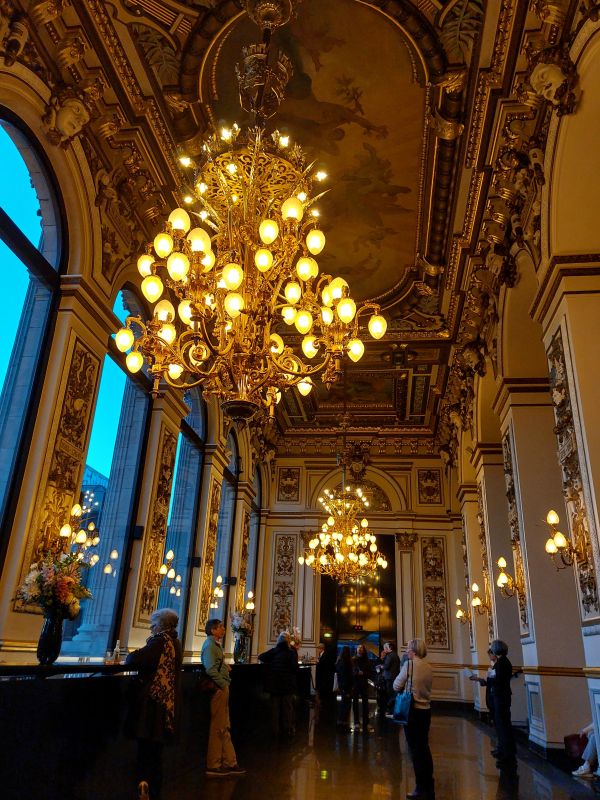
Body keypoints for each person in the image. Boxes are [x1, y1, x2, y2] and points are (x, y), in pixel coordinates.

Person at [125, 608, 183, 800]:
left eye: (153, 623)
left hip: (154, 703)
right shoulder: (176, 642)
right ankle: (154, 788)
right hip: (168, 703)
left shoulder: (159, 642)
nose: (151, 626)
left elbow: (134, 659)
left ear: (161, 625)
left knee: (146, 747)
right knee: (157, 751)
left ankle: (143, 783)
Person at [201, 618, 246, 778]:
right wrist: (222, 683)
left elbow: (215, 665)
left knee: (224, 726)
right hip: (219, 689)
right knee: (218, 727)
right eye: (220, 627)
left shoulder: (214, 645)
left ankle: (230, 762)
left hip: (222, 687)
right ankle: (213, 765)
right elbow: (210, 668)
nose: (223, 629)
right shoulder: (210, 646)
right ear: (212, 630)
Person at [394, 638, 434, 800]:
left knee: (415, 751)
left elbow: (396, 685)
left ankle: (420, 788)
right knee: (424, 748)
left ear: (413, 650)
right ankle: (429, 785)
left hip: (412, 711)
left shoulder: (409, 665)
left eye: (409, 649)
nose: (407, 651)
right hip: (426, 710)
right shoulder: (428, 666)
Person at [471, 639, 516, 770]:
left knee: (503, 725)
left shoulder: (502, 663)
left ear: (496, 650)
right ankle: (503, 750)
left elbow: (497, 680)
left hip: (500, 697)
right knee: (501, 724)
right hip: (500, 696)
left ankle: (507, 755)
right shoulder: (501, 662)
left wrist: (486, 678)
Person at [259, 631, 299, 738]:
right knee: (287, 708)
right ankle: (287, 729)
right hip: (287, 684)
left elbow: (261, 657)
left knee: (275, 708)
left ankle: (274, 730)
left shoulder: (275, 650)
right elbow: (295, 667)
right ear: (288, 641)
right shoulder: (291, 652)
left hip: (275, 684)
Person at [352, 644, 372, 733]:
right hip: (355, 684)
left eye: (361, 648)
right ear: (356, 649)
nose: (360, 649)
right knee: (355, 703)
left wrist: (363, 673)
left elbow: (370, 672)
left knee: (365, 704)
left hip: (363, 683)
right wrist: (356, 673)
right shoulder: (353, 659)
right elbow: (351, 671)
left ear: (363, 650)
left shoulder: (367, 660)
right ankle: (356, 721)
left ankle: (366, 722)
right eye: (358, 647)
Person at [335, 645, 354, 732]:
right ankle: (344, 724)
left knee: (343, 704)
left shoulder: (339, 661)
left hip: (342, 685)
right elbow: (348, 676)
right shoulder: (347, 662)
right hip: (347, 686)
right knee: (346, 705)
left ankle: (340, 723)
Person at [382, 641, 400, 714]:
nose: (384, 650)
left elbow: (386, 666)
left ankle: (388, 709)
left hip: (389, 677)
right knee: (393, 693)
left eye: (385, 648)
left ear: (388, 648)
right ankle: (392, 710)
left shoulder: (389, 656)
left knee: (390, 694)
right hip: (395, 676)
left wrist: (382, 665)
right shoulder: (396, 655)